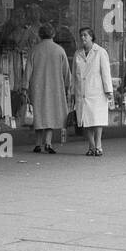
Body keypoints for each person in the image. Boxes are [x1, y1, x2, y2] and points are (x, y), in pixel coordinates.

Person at [26, 22, 70, 154]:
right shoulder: (59, 50)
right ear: (53, 34)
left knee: (39, 114)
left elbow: (28, 70)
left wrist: (24, 87)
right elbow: (66, 72)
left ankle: (38, 144)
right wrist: (69, 86)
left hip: (37, 86)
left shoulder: (34, 50)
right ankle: (48, 143)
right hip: (55, 87)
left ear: (40, 34)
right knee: (51, 113)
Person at [72, 27, 113, 156]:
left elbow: (105, 72)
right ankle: (91, 145)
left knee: (97, 120)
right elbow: (74, 74)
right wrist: (73, 91)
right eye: (81, 35)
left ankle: (98, 145)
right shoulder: (77, 54)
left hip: (96, 91)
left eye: (85, 35)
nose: (82, 38)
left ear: (91, 37)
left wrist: (108, 90)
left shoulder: (100, 52)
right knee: (86, 121)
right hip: (82, 92)